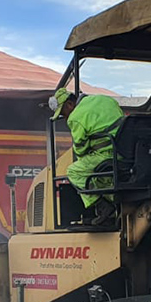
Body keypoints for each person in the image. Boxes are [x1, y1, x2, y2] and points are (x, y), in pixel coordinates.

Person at [49, 87, 123, 225]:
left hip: (106, 155)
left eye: (63, 113)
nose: (65, 117)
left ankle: (104, 208)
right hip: (126, 154)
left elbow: (80, 150)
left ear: (70, 104)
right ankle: (116, 210)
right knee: (102, 178)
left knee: (75, 172)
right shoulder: (105, 99)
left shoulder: (75, 117)